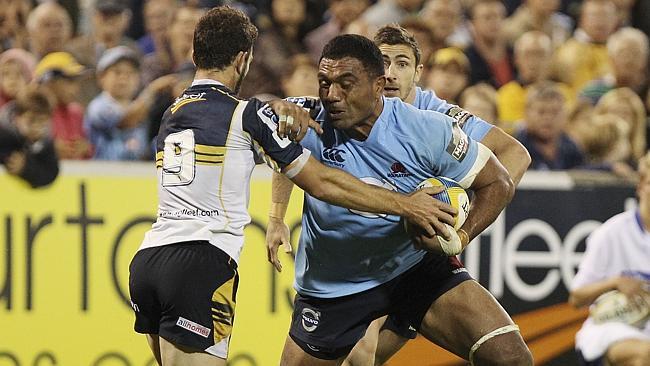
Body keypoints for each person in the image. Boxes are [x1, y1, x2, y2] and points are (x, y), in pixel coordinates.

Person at [127, 7, 451, 366]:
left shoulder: (171, 112)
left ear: (193, 56)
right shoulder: (246, 114)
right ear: (242, 59)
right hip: (199, 264)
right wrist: (407, 205)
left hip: (147, 262)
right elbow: (323, 182)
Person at [266, 34, 531, 365]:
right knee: (361, 360)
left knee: (511, 358)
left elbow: (499, 181)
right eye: (325, 83)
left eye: (345, 84)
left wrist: (461, 237)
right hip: (336, 285)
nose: (332, 95)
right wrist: (277, 111)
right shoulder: (309, 120)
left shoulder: (428, 126)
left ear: (378, 86)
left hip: (413, 267)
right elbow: (267, 121)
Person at [569, 152, 650, 366]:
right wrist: (616, 282)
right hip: (611, 328)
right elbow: (576, 297)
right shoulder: (612, 232)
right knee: (644, 355)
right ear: (640, 186)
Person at [85, 46, 176, 160]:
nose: (123, 78)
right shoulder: (98, 106)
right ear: (101, 77)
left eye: (130, 73)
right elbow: (126, 121)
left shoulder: (140, 107)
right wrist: (153, 90)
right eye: (117, 72)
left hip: (135, 175)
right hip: (103, 174)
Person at [515, 82, 584, 170]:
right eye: (541, 112)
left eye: (554, 112)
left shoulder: (572, 149)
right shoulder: (515, 148)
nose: (548, 118)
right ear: (526, 114)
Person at [0, 85, 58, 188]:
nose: (36, 127)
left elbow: (51, 173)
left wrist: (26, 168)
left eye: (42, 122)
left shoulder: (46, 142)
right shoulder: (3, 134)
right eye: (31, 121)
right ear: (17, 118)